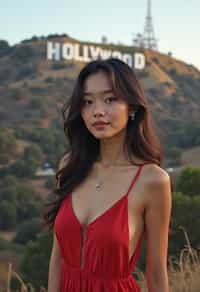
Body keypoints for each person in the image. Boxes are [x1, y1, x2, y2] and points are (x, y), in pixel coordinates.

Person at [45, 58, 172, 292]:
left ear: (132, 107)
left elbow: (156, 275)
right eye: (87, 102)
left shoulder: (153, 181)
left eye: (110, 99)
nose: (98, 111)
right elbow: (58, 259)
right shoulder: (70, 166)